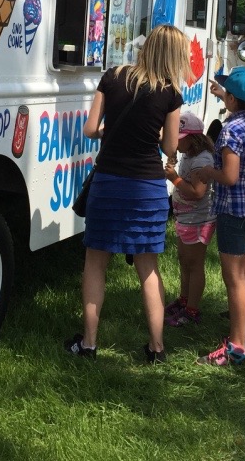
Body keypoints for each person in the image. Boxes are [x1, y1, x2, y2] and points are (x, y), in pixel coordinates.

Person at [65, 24, 189, 363]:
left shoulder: (112, 76)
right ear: (174, 57)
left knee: (95, 262)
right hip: (147, 187)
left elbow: (91, 129)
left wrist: (107, 130)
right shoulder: (170, 93)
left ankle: (89, 343)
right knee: (148, 268)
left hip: (109, 182)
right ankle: (156, 348)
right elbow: (169, 147)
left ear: (147, 47)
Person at [188, 67, 245, 365]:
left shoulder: (233, 129)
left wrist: (206, 171)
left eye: (226, 92)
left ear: (234, 100)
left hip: (234, 209)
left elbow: (229, 175)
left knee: (234, 279)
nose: (222, 94)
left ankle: (235, 347)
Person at [163, 113, 215, 327]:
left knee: (194, 265)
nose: (176, 141)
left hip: (199, 220)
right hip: (186, 217)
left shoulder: (201, 160)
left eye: (180, 138)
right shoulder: (188, 155)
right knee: (184, 262)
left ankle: (192, 309)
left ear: (192, 138)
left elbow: (197, 192)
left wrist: (174, 178)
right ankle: (184, 300)